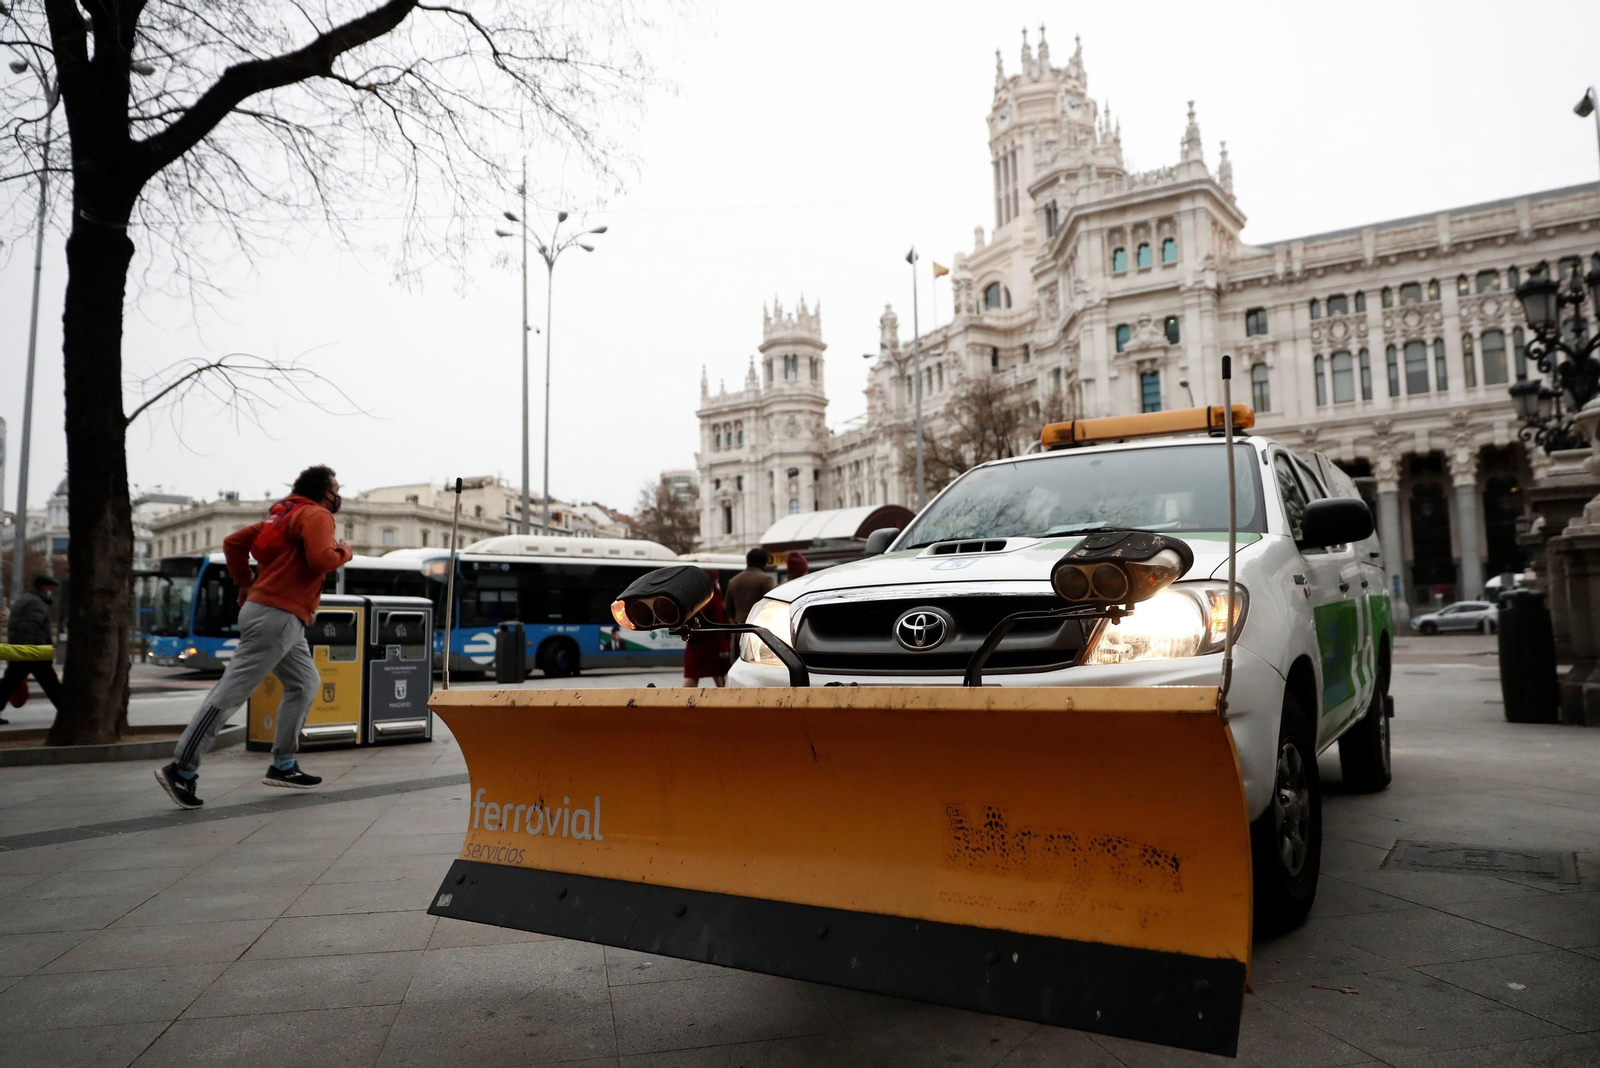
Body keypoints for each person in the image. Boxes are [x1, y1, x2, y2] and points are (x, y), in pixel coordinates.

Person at [155, 465, 353, 809]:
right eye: (336, 488)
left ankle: (284, 764)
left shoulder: (281, 516)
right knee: (231, 691)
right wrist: (344, 551)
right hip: (279, 615)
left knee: (305, 683)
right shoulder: (317, 514)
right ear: (325, 491)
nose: (339, 494)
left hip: (279, 615)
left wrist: (245, 582)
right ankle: (182, 768)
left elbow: (233, 542)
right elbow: (322, 559)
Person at [0, 575, 64, 722]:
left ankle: (66, 712)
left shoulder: (25, 599)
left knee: (9, 683)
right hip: (33, 651)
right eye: (50, 588)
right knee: (51, 683)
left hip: (23, 650)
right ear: (44, 587)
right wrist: (28, 650)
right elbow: (29, 626)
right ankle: (67, 713)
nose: (51, 591)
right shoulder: (36, 602)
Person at [683, 569, 732, 687]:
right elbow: (718, 625)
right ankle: (725, 702)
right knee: (719, 678)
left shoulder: (692, 597)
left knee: (693, 677)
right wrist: (724, 648)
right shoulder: (714, 599)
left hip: (694, 643)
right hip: (712, 646)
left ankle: (682, 702)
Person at [724, 547, 775, 624]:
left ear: (747, 561)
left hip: (738, 627)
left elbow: (728, 608)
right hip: (758, 626)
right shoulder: (766, 579)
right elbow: (770, 605)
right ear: (764, 562)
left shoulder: (734, 580)